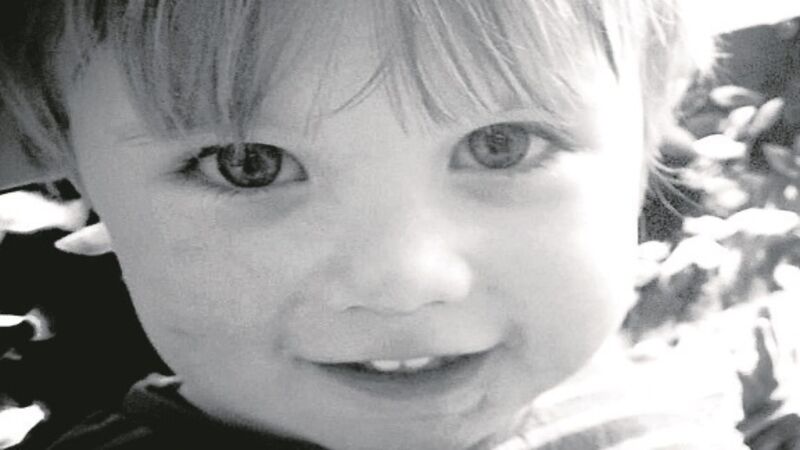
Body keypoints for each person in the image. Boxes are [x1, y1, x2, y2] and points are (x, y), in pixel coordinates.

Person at [0, 1, 747, 449]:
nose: (402, 283)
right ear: (87, 188)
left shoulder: (673, 423)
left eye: (501, 145)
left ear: (643, 147)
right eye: (249, 164)